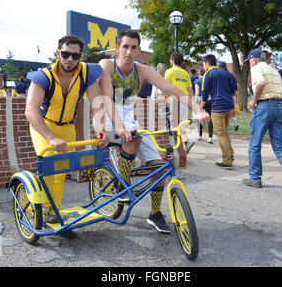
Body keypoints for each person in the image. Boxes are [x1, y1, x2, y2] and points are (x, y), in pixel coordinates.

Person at [98, 29, 209, 233]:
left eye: (133, 47)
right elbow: (106, 99)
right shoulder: (107, 65)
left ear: (139, 50)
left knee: (159, 167)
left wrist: (199, 110)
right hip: (106, 116)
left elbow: (171, 89)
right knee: (134, 136)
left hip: (129, 118)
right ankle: (121, 184)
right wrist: (121, 127)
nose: (129, 52)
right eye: (125, 46)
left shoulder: (142, 70)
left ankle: (155, 214)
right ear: (117, 48)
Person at [25, 34, 109, 223]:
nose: (70, 60)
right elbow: (30, 112)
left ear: (81, 56)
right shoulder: (43, 76)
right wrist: (51, 138)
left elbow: (97, 104)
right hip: (44, 126)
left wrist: (101, 130)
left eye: (75, 56)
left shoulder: (86, 73)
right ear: (58, 53)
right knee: (48, 165)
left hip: (67, 128)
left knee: (61, 172)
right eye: (65, 54)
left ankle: (53, 209)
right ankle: (45, 208)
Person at [243, 49, 282, 194]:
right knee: (279, 146)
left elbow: (260, 83)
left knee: (254, 144)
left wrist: (254, 100)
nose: (249, 63)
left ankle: (255, 178)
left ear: (253, 59)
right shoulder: (274, 71)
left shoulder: (256, 68)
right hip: (281, 106)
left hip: (265, 105)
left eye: (249, 60)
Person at [200, 54, 237, 168]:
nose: (204, 66)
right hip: (229, 105)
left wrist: (200, 109)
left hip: (218, 107)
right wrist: (235, 106)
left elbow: (205, 94)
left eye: (203, 64)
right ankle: (230, 155)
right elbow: (233, 91)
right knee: (224, 132)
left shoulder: (208, 74)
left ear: (207, 63)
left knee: (220, 133)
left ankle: (227, 161)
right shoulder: (227, 73)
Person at [164, 52, 193, 124]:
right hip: (185, 100)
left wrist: (165, 99)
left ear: (173, 61)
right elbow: (190, 90)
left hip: (173, 99)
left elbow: (165, 88)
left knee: (174, 125)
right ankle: (181, 135)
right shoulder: (186, 73)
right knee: (182, 125)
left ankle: (175, 135)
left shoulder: (168, 71)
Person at [219, 60, 239, 132]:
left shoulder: (219, 75)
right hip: (231, 97)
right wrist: (237, 98)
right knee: (231, 114)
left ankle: (225, 133)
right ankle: (228, 132)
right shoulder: (231, 75)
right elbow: (235, 89)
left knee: (223, 117)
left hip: (222, 98)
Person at [194, 68, 213, 142]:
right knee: (210, 118)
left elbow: (197, 93)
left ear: (198, 74)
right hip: (209, 99)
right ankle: (210, 137)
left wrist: (195, 102)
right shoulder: (208, 79)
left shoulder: (197, 81)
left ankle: (200, 135)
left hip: (200, 100)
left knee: (199, 117)